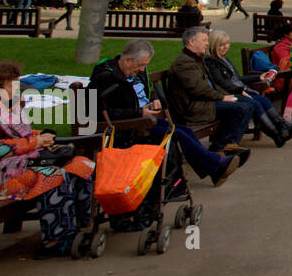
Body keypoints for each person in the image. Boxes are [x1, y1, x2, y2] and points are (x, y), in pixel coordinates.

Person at [87, 40, 242, 188]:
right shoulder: (106, 79)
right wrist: (139, 112)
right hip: (126, 127)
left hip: (140, 120)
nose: (142, 70)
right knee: (176, 134)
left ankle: (216, 167)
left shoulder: (128, 73)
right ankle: (217, 165)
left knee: (182, 130)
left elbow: (145, 92)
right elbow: (98, 112)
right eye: (140, 66)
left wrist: (153, 100)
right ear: (127, 60)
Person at [0, 61, 97, 258]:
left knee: (80, 165)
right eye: (11, 84)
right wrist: (34, 142)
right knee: (52, 175)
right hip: (1, 173)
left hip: (22, 163)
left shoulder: (8, 106)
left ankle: (77, 227)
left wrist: (41, 137)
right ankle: (55, 241)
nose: (16, 87)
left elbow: (22, 134)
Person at [166, 26, 255, 155]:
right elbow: (198, 90)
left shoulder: (196, 58)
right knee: (240, 108)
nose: (207, 43)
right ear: (192, 42)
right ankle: (218, 147)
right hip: (193, 107)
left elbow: (211, 86)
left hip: (204, 101)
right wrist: (222, 98)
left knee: (248, 103)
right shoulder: (184, 63)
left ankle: (230, 142)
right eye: (204, 40)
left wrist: (226, 95)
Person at [204, 29, 292, 145]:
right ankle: (278, 134)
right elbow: (221, 83)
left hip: (236, 90)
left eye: (227, 44)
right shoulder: (211, 61)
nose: (226, 47)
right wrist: (240, 91)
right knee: (255, 103)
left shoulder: (223, 59)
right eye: (221, 45)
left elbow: (237, 79)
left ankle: (282, 126)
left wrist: (258, 77)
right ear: (213, 45)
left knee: (262, 99)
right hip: (227, 94)